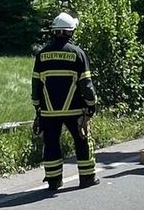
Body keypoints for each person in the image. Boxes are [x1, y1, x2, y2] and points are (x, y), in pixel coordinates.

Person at [32, 12, 99, 191]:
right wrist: (91, 105)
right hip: (75, 110)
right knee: (82, 141)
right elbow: (86, 84)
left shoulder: (42, 55)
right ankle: (87, 178)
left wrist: (37, 107)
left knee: (52, 144)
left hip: (48, 111)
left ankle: (54, 181)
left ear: (54, 31)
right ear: (71, 32)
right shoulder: (78, 53)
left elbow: (36, 85)